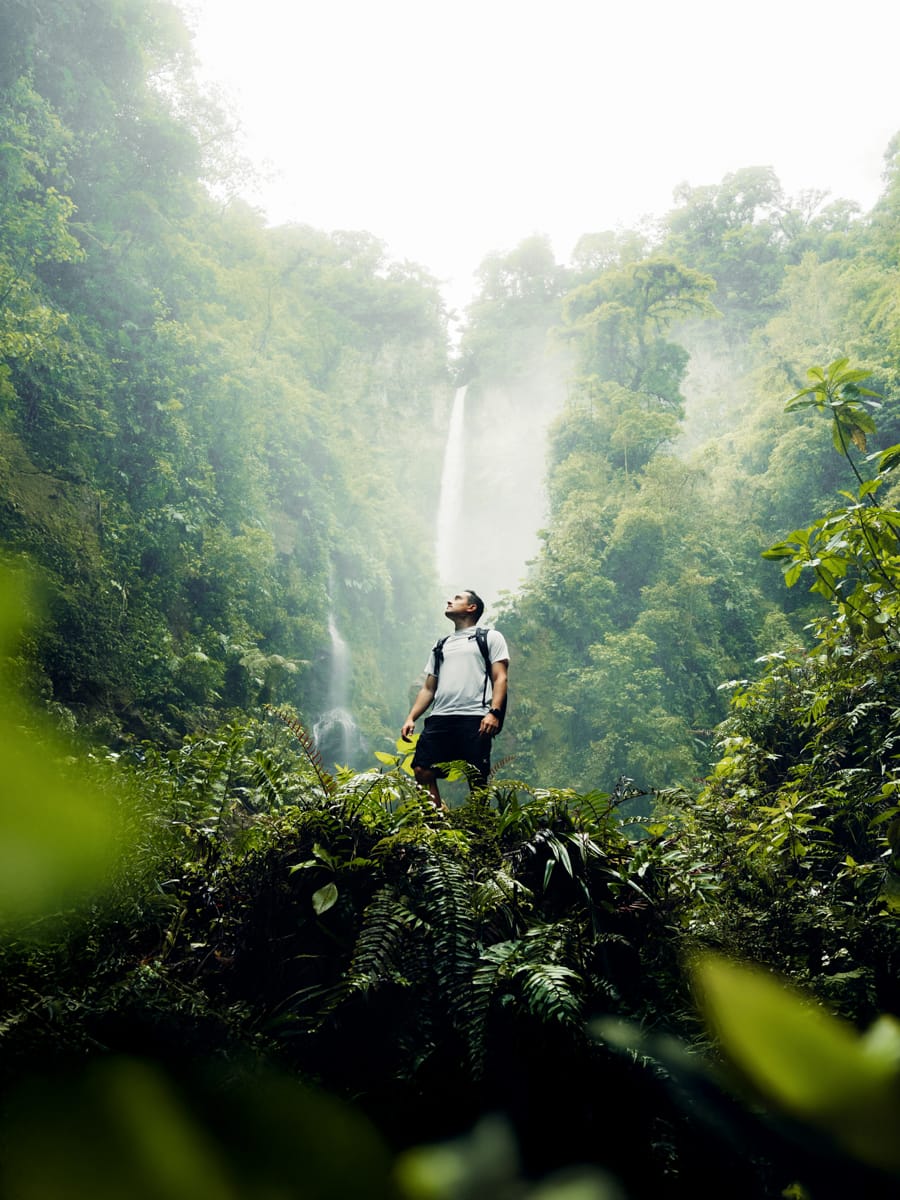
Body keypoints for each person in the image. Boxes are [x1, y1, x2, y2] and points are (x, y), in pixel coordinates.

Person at [401, 589, 509, 807]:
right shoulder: (441, 644)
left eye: (457, 598)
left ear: (472, 608)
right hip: (440, 717)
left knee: (477, 779)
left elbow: (500, 678)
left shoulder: (489, 637)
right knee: (422, 769)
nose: (450, 600)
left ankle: (478, 830)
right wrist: (411, 717)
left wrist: (494, 713)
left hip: (474, 717)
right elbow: (429, 688)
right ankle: (438, 825)